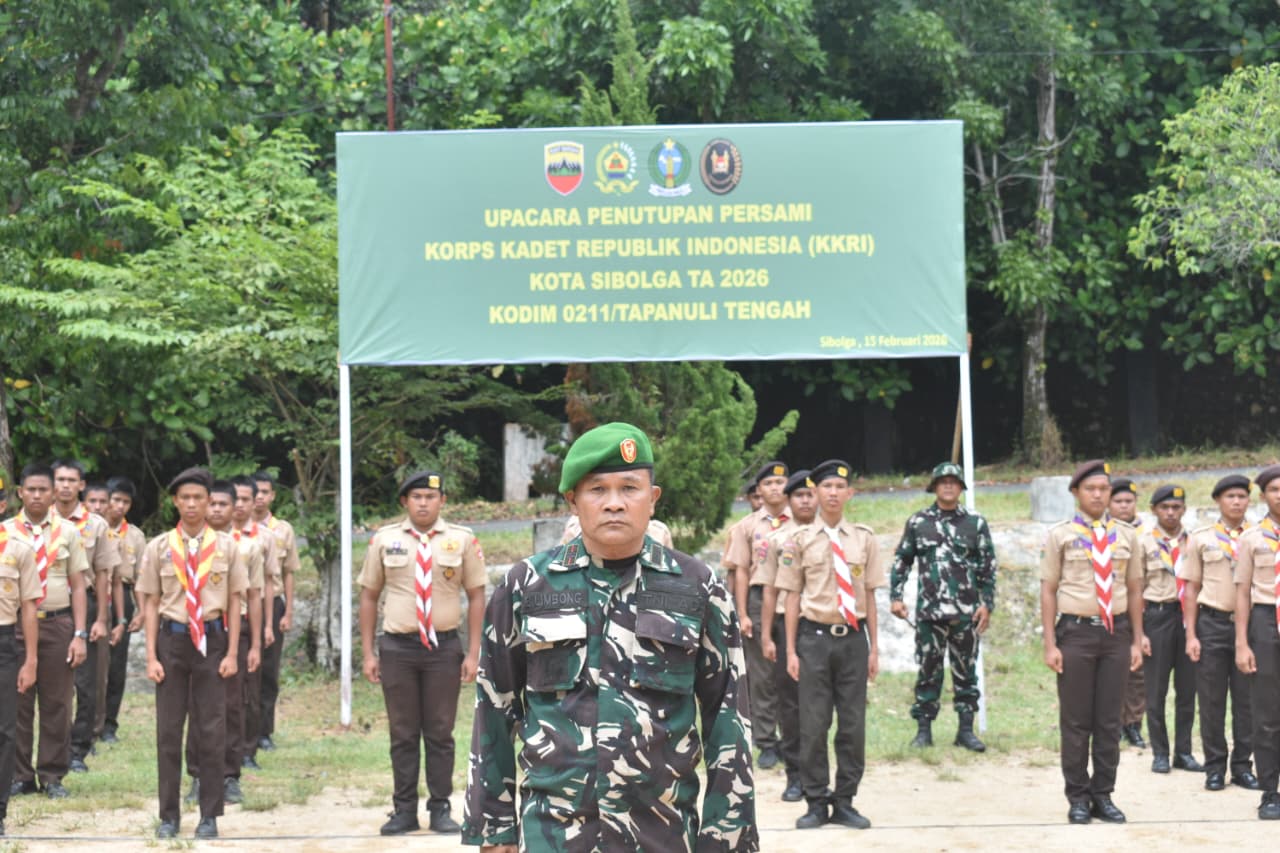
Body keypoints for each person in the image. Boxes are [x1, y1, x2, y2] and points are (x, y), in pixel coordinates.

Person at [462, 422, 757, 851]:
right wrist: (494, 828)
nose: (614, 503)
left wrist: (727, 837)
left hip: (661, 832)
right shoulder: (526, 586)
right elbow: (494, 706)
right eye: (597, 490)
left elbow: (728, 719)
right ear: (573, 501)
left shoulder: (698, 587)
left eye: (629, 488)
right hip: (555, 834)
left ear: (652, 499)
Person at [361, 470, 485, 835]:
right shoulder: (384, 540)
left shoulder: (462, 540)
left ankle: (440, 807)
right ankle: (403, 810)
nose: (423, 503)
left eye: (430, 497)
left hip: (443, 648)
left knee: (440, 731)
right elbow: (369, 596)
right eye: (416, 497)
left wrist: (473, 653)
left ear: (442, 501)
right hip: (398, 648)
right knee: (402, 732)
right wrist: (368, 653)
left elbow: (477, 595)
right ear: (405, 502)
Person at [137, 467, 247, 839]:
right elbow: (151, 603)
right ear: (175, 502)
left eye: (198, 498)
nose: (192, 504)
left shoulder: (227, 547)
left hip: (212, 642)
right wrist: (151, 657)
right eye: (185, 498)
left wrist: (232, 653)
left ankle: (209, 815)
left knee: (211, 730)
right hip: (172, 641)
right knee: (169, 732)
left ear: (208, 501)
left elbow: (236, 601)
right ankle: (168, 816)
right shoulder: (159, 547)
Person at [777, 458, 882, 830]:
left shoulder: (864, 538)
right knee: (814, 724)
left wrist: (874, 647)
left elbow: (870, 595)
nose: (833, 493)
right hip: (814, 640)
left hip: (853, 640)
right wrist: (791, 650)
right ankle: (817, 801)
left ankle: (845, 800)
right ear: (816, 492)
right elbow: (791, 596)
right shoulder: (799, 540)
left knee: (852, 725)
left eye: (840, 487)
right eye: (826, 487)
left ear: (850, 493)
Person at [1040, 460, 1144, 825]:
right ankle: (1078, 798)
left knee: (1109, 720)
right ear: (1076, 493)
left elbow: (1135, 589)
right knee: (1076, 721)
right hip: (1076, 633)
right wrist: (1050, 644)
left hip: (1116, 634)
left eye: (1104, 489)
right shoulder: (1060, 535)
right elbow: (1048, 590)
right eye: (1090, 489)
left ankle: (1103, 795)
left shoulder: (1127, 536)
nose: (1098, 495)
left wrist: (1137, 640)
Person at [890, 461, 996, 752]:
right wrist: (896, 596)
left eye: (954, 482)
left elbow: (988, 566)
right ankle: (924, 731)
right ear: (934, 487)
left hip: (966, 613)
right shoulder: (918, 522)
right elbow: (902, 560)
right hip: (930, 613)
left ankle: (966, 731)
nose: (948, 486)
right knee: (928, 671)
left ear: (961, 487)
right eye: (943, 482)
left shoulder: (975, 523)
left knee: (966, 673)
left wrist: (987, 604)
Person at [9, 462, 90, 800]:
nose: (37, 495)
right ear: (20, 493)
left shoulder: (68, 532)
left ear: (54, 493)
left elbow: (79, 585)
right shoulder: (6, 532)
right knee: (17, 702)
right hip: (15, 625)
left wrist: (80, 634)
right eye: (31, 489)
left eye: (43, 489)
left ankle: (52, 775)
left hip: (57, 624)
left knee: (57, 702)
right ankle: (20, 775)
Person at [183, 480, 262, 807]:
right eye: (211, 503)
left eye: (222, 504)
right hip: (195, 630)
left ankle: (229, 775)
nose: (216, 509)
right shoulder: (183, 544)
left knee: (230, 705)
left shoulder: (246, 547)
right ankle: (198, 775)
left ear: (234, 509)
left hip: (232, 633)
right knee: (196, 704)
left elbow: (254, 596)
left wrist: (255, 644)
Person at [1183, 474, 1259, 792]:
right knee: (1211, 701)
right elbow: (1191, 588)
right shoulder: (1201, 539)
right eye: (1230, 496)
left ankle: (1242, 766)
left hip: (1251, 627)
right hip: (1212, 624)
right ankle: (1214, 767)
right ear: (1217, 500)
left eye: (1242, 496)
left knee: (1247, 701)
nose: (1237, 502)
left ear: (1249, 500)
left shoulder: (1259, 537)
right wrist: (1191, 634)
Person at [54, 463, 120, 774]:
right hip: (49, 605)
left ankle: (78, 749)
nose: (65, 485)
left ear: (81, 485)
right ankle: (49, 748)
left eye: (72, 480)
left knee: (87, 682)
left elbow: (104, 574)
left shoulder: (95, 525)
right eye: (60, 479)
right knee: (49, 683)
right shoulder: (41, 522)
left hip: (88, 604)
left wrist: (102, 618)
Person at [757, 468, 816, 802]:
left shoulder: (831, 537)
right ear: (790, 500)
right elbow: (768, 590)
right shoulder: (778, 540)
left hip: (822, 627)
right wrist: (767, 635)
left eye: (810, 494)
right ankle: (795, 775)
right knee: (789, 705)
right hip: (785, 626)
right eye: (799, 495)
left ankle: (818, 773)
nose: (805, 500)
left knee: (820, 706)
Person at [727, 460, 791, 770]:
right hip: (756, 599)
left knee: (791, 673)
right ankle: (766, 740)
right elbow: (740, 571)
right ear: (759, 491)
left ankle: (793, 738)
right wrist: (742, 613)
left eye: (780, 482)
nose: (775, 488)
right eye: (768, 484)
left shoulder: (802, 522)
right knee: (762, 676)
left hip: (792, 600)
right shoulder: (747, 527)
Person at [1140, 484, 1200, 774]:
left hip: (1188, 618)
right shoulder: (1143, 543)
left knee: (1187, 690)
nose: (1171, 513)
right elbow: (1135, 588)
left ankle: (1184, 752)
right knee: (1156, 691)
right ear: (1154, 510)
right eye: (1164, 507)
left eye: (1176, 507)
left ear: (1184, 510)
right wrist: (1139, 633)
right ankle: (1160, 753)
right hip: (1157, 616)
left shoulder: (1195, 541)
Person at [1234, 464, 1280, 819]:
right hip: (1265, 623)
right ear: (1263, 496)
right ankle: (1270, 791)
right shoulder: (1251, 538)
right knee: (1267, 713)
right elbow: (1242, 592)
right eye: (1275, 489)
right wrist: (1241, 643)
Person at [0, 499, 42, 837]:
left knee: (4, 731)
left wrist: (30, 659)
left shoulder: (20, 549)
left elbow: (29, 608)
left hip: (4, 642)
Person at [251, 471, 299, 754]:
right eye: (254, 492)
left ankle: (264, 731)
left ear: (273, 496)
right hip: (243, 605)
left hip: (273, 604)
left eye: (265, 492)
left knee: (268, 671)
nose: (259, 497)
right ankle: (242, 728)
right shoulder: (235, 528)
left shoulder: (283, 530)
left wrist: (288, 611)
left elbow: (289, 572)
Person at [231, 476, 277, 771]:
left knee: (250, 688)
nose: (239, 505)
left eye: (245, 499)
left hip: (249, 618)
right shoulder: (212, 538)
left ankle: (247, 750)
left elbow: (266, 586)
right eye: (234, 499)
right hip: (217, 622)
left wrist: (267, 626)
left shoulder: (263, 538)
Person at [101, 477, 146, 744]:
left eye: (125, 502)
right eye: (115, 499)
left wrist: (141, 611)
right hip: (94, 595)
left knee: (117, 666)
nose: (119, 506)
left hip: (124, 597)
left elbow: (141, 578)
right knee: (90, 667)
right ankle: (88, 721)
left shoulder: (135, 536)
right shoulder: (92, 528)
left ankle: (109, 724)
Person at [1107, 477, 1148, 749]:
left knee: (1137, 671)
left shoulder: (1148, 535)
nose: (1124, 506)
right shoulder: (1103, 533)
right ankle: (1112, 723)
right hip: (1113, 608)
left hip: (1144, 608)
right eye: (1118, 501)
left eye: (1129, 501)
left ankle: (1133, 724)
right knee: (1111, 668)